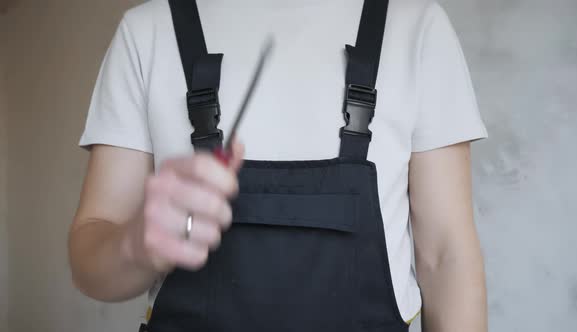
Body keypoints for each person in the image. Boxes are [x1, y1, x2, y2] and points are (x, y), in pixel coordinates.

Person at [68, 0, 488, 331]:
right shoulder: (147, 31)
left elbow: (445, 257)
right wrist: (137, 244)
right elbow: (90, 266)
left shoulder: (418, 27)